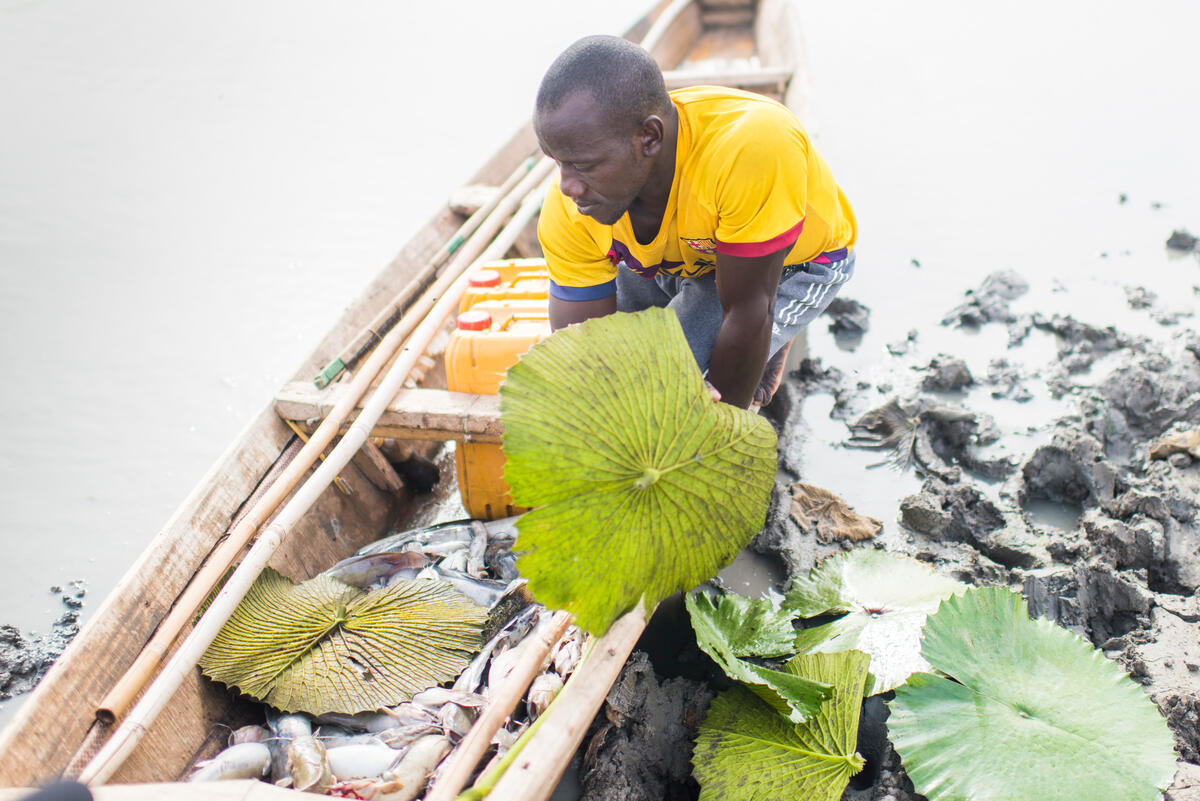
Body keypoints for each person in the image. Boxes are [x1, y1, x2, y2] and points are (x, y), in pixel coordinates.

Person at [534, 35, 857, 409]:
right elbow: (584, 353)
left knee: (675, 388)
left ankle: (774, 337)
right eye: (557, 162)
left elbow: (749, 309)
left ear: (649, 138)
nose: (567, 186)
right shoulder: (569, 206)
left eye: (584, 165)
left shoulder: (751, 149)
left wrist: (710, 416)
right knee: (620, 383)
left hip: (787, 265)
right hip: (686, 259)